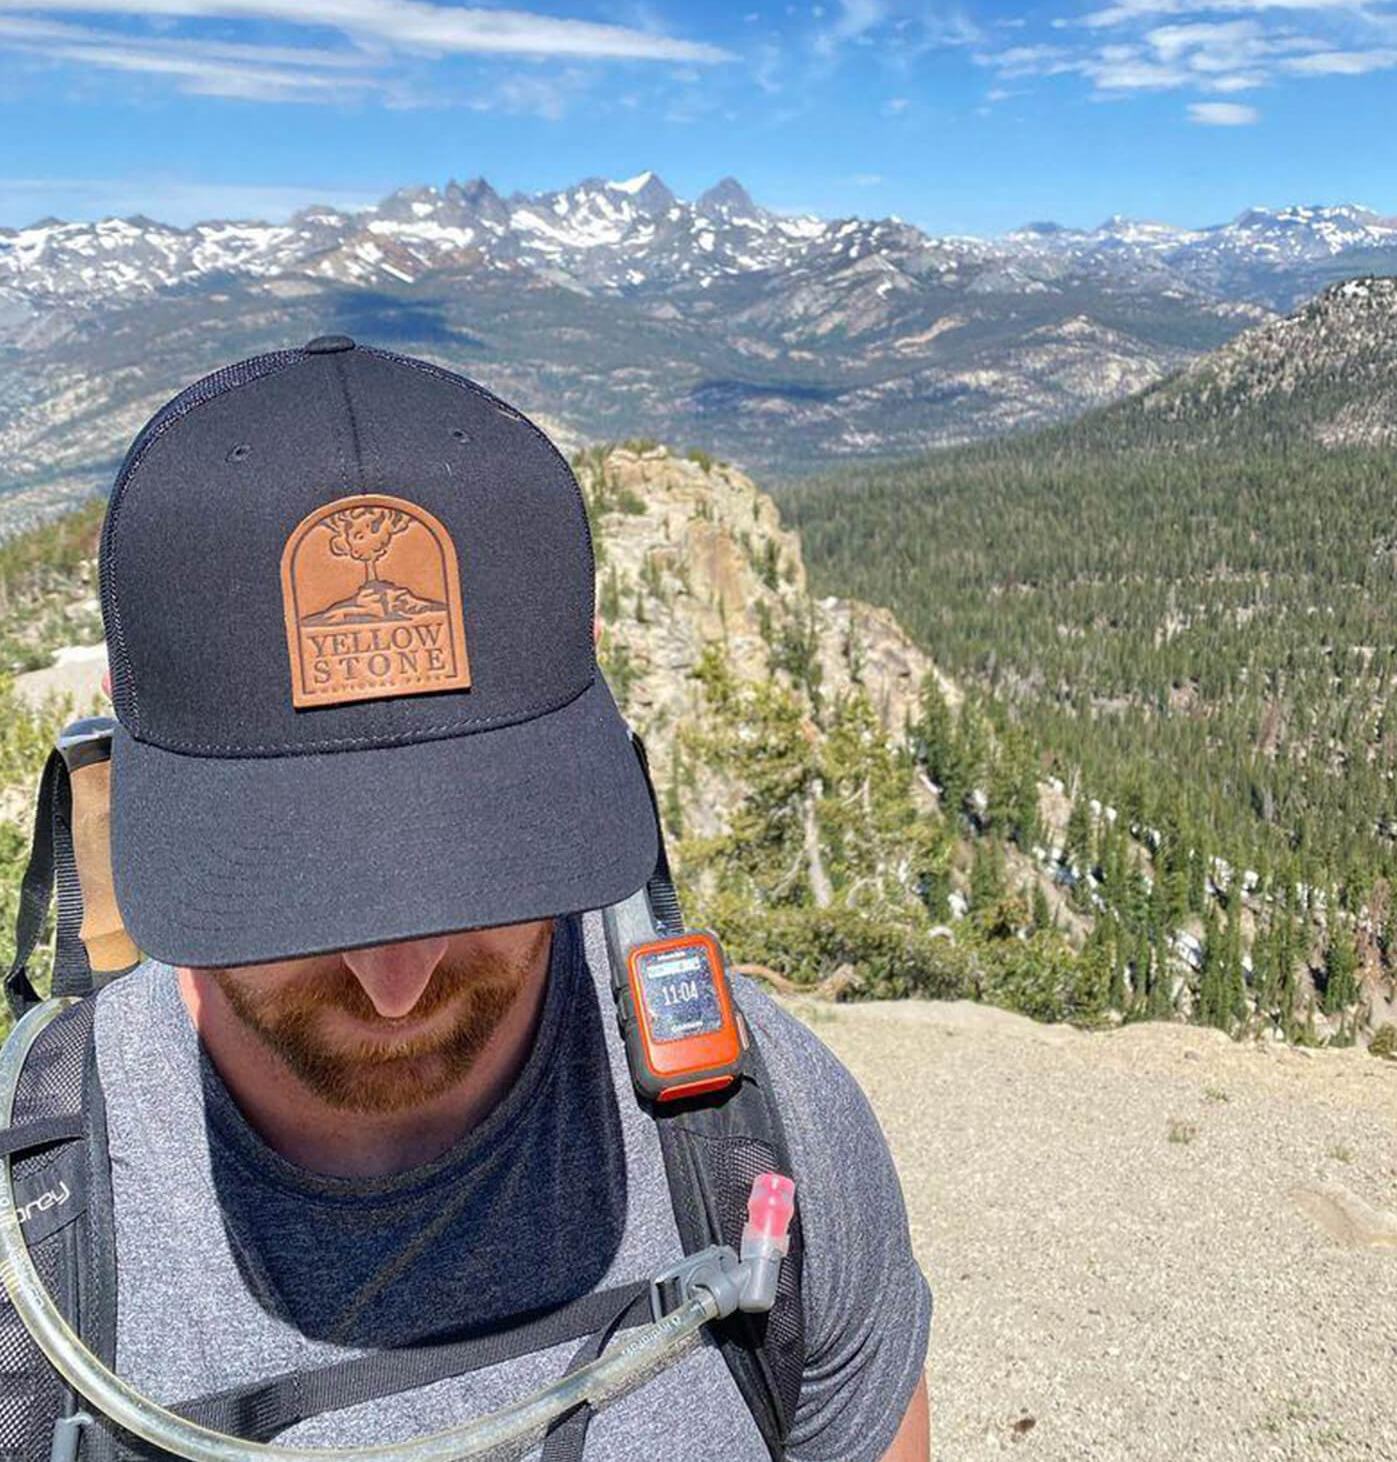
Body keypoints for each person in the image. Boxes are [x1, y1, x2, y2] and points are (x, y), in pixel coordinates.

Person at [29, 336, 932, 1462]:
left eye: (482, 864)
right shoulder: (38, 1253)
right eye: (287, 893)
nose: (396, 984)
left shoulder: (767, 1132)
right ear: (130, 723)